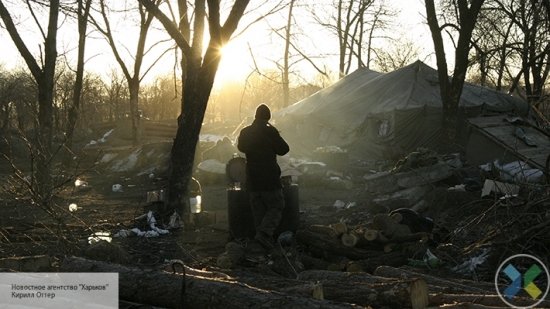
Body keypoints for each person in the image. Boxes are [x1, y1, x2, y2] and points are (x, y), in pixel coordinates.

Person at [237, 104, 290, 250]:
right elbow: (284, 150)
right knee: (276, 206)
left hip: (252, 178)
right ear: (268, 117)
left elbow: (241, 148)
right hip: (269, 178)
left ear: (255, 116)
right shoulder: (270, 131)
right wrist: (273, 134)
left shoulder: (245, 132)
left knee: (258, 211)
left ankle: (260, 246)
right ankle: (265, 235)